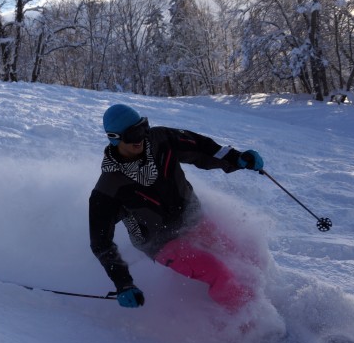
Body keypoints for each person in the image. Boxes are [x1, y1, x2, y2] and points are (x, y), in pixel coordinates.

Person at [89, 104, 264, 312]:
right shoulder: (109, 187)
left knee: (241, 256)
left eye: (143, 128)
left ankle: (263, 298)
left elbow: (201, 147)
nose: (141, 137)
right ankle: (250, 321)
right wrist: (123, 284)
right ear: (114, 138)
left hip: (194, 219)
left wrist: (236, 158)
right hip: (162, 243)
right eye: (132, 134)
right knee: (219, 271)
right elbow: (101, 243)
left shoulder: (161, 140)